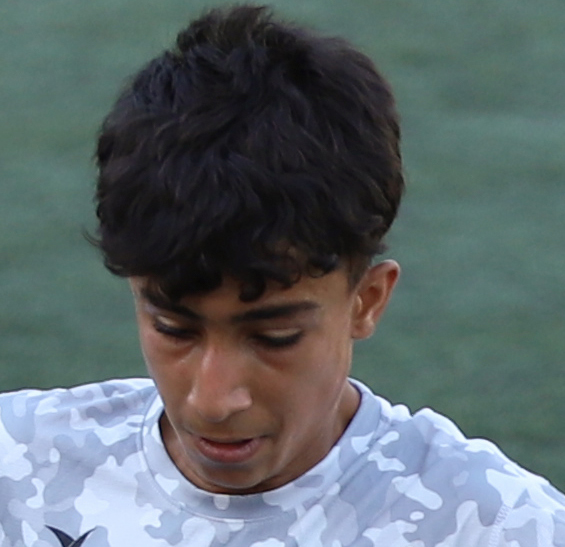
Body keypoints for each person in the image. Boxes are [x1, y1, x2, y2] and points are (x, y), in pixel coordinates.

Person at [1, 4, 564, 546]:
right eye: (174, 329)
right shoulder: (16, 472)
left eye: (275, 337)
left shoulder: (496, 529)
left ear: (368, 300)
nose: (213, 400)